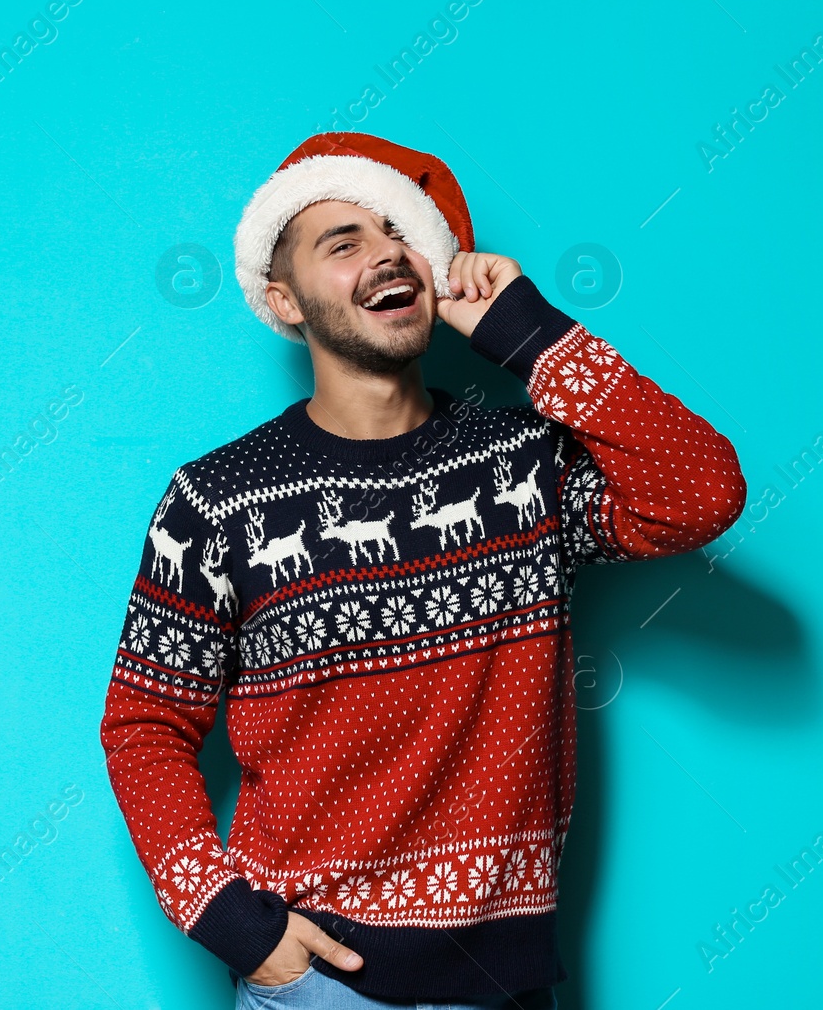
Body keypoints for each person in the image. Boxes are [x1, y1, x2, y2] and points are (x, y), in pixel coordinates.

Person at [99, 132, 747, 1009]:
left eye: (400, 232)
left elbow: (698, 492)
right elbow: (143, 722)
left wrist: (532, 332)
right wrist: (236, 927)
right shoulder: (216, 502)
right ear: (283, 299)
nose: (385, 254)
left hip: (507, 977)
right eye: (344, 241)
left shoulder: (524, 469)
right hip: (320, 982)